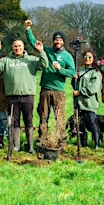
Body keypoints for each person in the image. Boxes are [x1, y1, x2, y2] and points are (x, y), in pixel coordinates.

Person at [0, 39, 48, 153]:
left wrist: (41, 52)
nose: (18, 48)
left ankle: (30, 146)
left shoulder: (31, 59)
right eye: (15, 46)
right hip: (12, 97)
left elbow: (44, 65)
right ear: (12, 47)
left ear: (23, 47)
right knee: (14, 122)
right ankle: (16, 146)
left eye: (20, 46)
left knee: (29, 121)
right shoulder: (6, 60)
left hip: (27, 96)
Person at [25, 20, 75, 150]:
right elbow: (33, 43)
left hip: (59, 90)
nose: (57, 41)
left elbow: (72, 72)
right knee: (43, 116)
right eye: (56, 39)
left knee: (59, 117)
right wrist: (28, 29)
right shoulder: (46, 51)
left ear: (63, 42)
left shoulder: (67, 56)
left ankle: (61, 142)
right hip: (45, 89)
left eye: (60, 40)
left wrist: (60, 69)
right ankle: (42, 140)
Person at [72, 50, 102, 149]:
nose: (87, 59)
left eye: (89, 57)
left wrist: (80, 92)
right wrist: (74, 78)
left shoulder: (95, 72)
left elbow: (94, 88)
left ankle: (97, 143)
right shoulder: (80, 70)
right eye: (85, 57)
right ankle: (82, 143)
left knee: (92, 123)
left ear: (93, 59)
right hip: (79, 103)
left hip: (89, 103)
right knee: (80, 124)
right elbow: (74, 85)